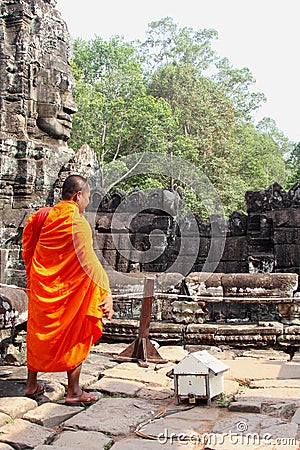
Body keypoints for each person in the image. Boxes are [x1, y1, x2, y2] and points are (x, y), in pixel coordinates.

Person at [22, 174, 114, 405]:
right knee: (77, 332)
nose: (88, 203)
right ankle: (73, 391)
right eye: (88, 197)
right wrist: (106, 291)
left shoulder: (42, 216)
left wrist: (37, 275)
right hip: (68, 292)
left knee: (37, 333)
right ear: (77, 196)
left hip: (42, 286)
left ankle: (31, 385)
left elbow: (29, 246)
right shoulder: (77, 223)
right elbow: (89, 262)